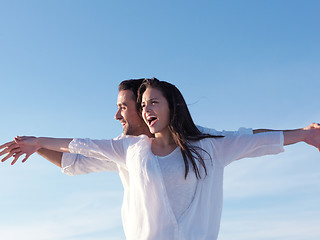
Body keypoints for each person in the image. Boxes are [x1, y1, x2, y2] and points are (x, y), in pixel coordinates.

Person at [1, 78, 319, 240]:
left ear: (170, 105)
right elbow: (80, 152)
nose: (134, 112)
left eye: (133, 106)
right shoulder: (129, 150)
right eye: (140, 104)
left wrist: (302, 134)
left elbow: (249, 138)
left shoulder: (206, 144)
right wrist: (38, 142)